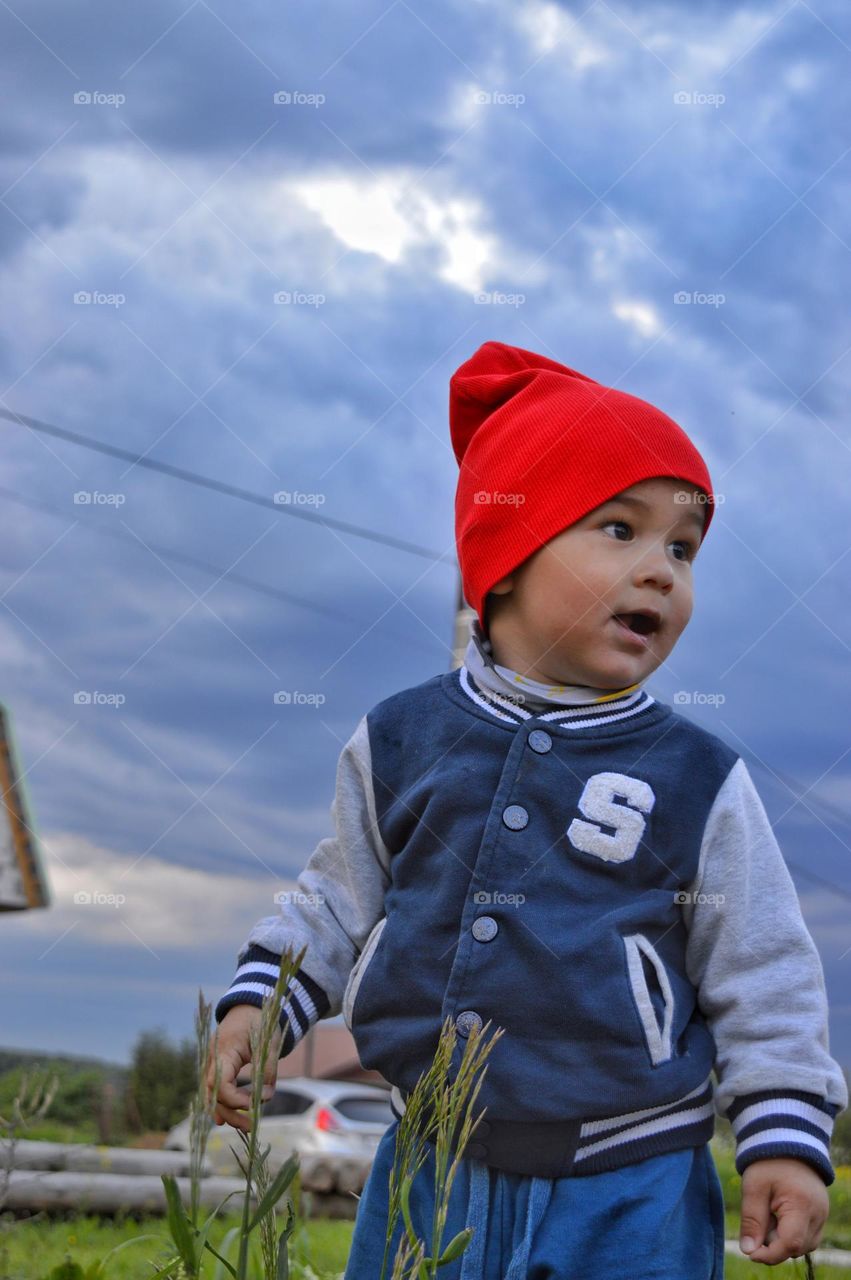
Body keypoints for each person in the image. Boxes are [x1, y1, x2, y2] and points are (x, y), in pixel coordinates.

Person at [208, 341, 847, 1278]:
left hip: (629, 1178)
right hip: (428, 1162)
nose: (663, 570)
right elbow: (335, 897)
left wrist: (784, 1138)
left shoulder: (696, 775)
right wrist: (263, 999)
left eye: (682, 545)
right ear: (504, 559)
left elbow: (761, 966)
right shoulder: (400, 739)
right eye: (619, 530)